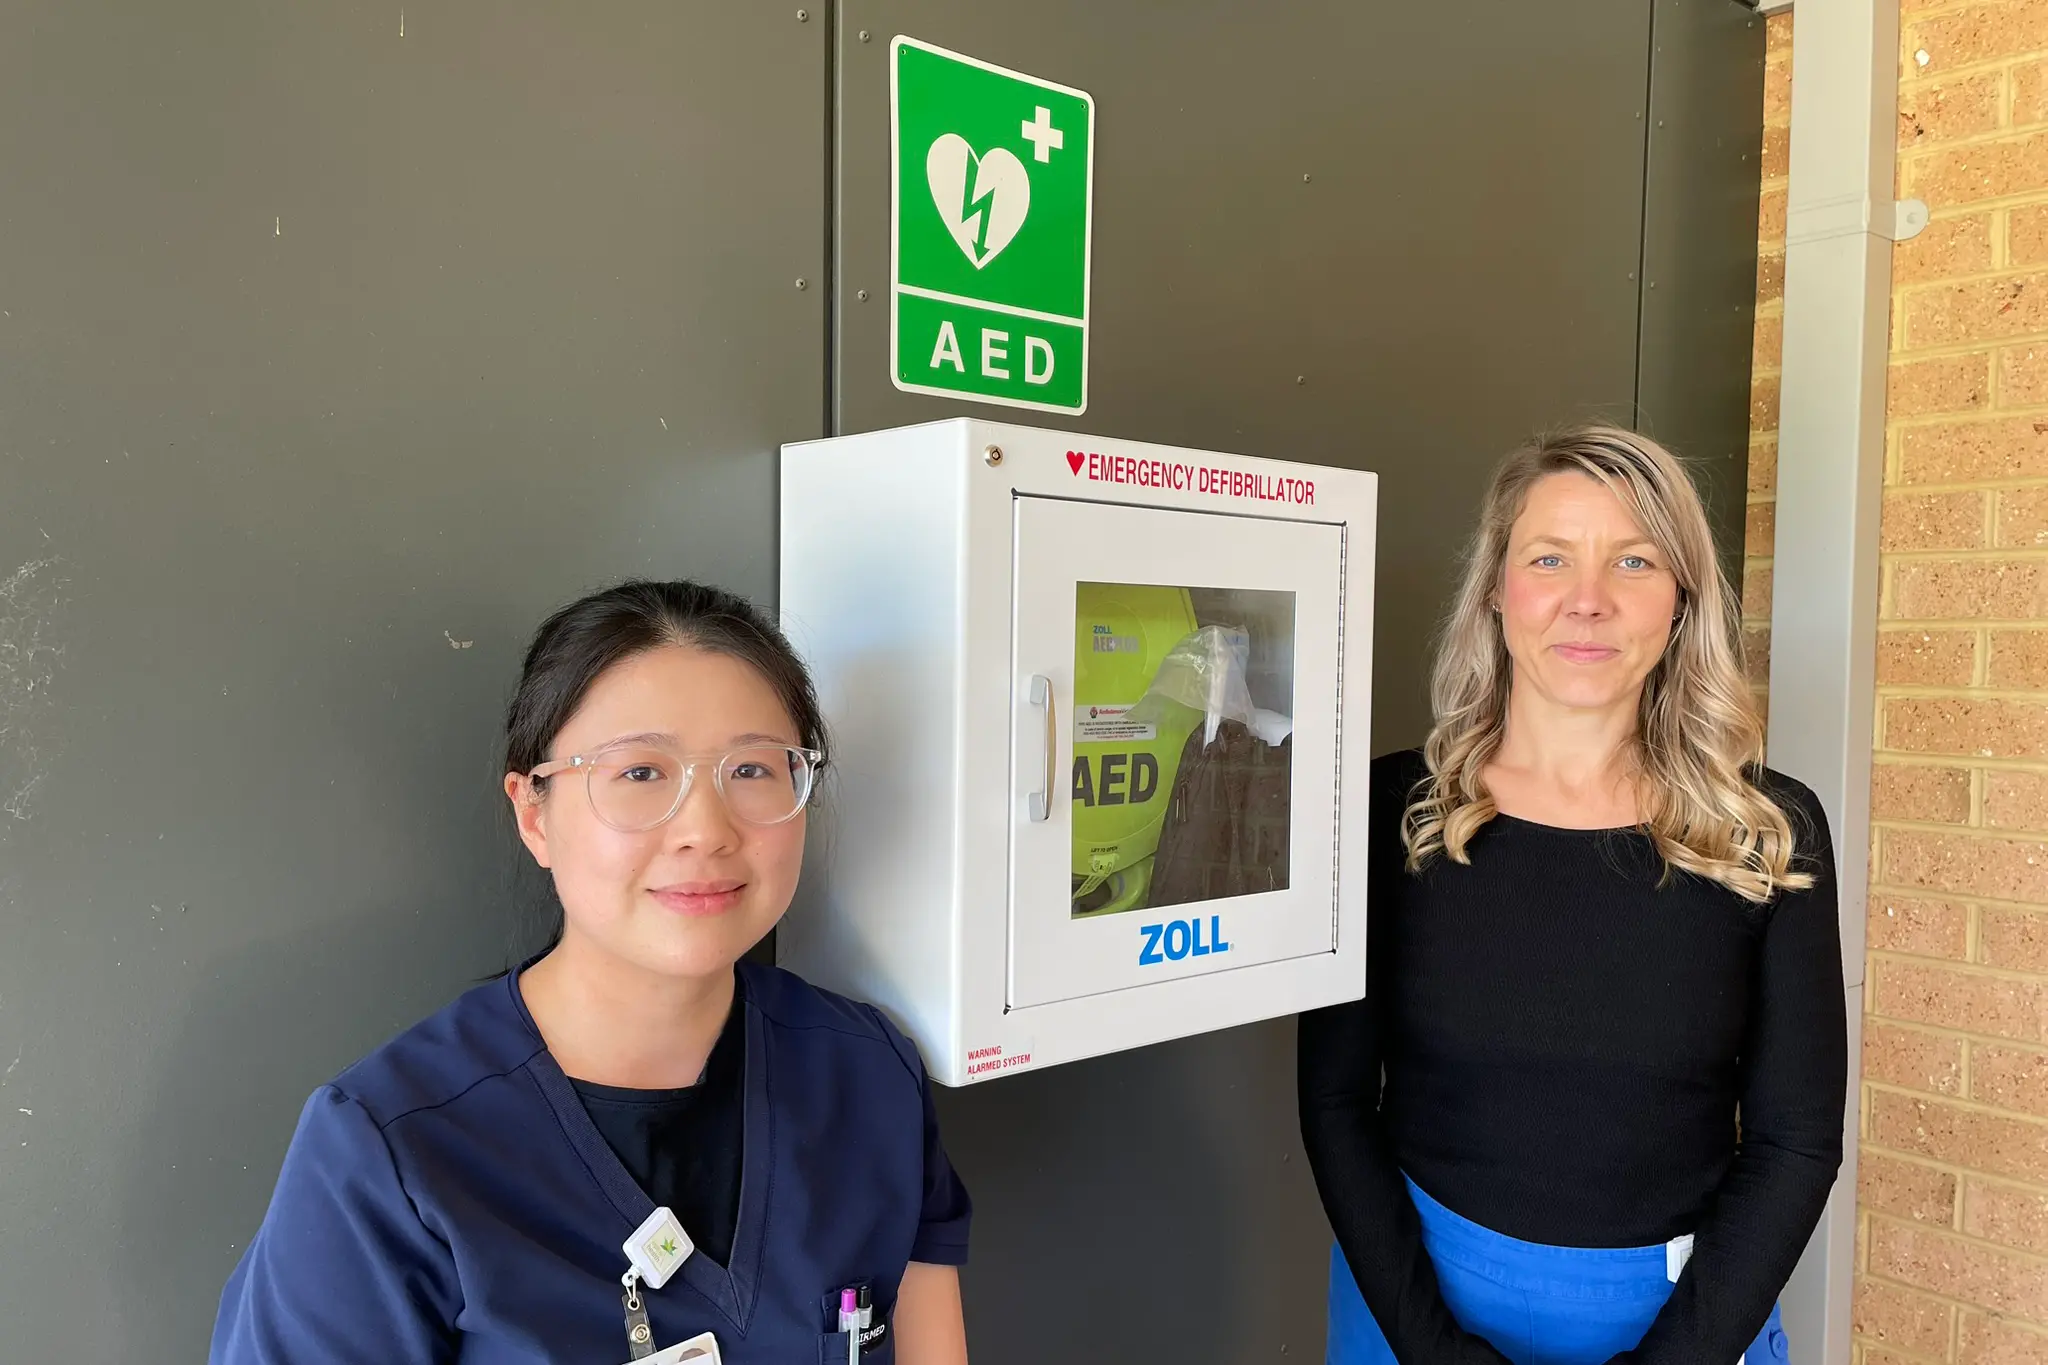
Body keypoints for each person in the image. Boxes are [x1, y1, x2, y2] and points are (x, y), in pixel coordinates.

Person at [211, 580, 972, 1364]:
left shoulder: (871, 1076)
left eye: (752, 769)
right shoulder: (390, 1152)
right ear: (533, 812)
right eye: (640, 772)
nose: (706, 831)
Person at [1299, 427, 1845, 1365]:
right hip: (1411, 1305)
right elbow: (1336, 1099)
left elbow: (1797, 1143)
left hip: (1684, 1320)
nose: (1587, 600)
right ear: (1497, 591)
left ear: (1680, 601)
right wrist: (1435, 1351)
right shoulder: (1390, 812)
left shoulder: (1767, 830)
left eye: (1633, 560)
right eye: (1549, 557)